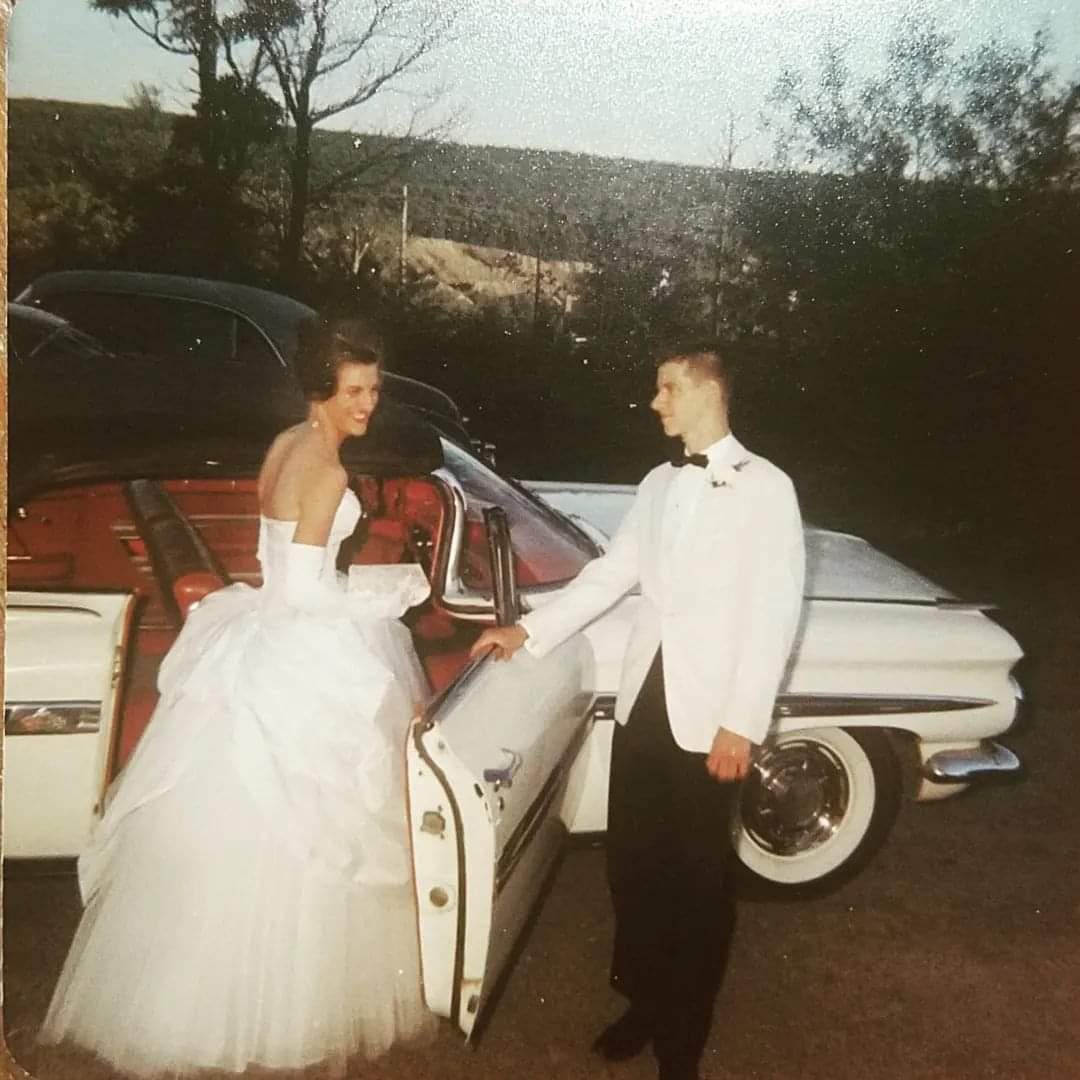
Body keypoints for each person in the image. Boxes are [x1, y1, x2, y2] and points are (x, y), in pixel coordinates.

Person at [39, 317, 437, 1077]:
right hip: (300, 636)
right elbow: (315, 594)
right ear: (323, 390)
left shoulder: (287, 443)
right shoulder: (325, 472)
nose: (369, 405)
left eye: (376, 390)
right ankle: (280, 1008)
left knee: (242, 826)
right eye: (356, 391)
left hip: (261, 628)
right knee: (309, 832)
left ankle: (181, 1001)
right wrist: (389, 590)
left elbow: (279, 564)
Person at [471, 342, 805, 1080]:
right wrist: (528, 628)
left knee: (699, 883)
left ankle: (682, 1044)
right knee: (634, 867)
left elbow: (774, 612)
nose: (656, 403)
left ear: (708, 391)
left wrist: (743, 722)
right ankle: (646, 1005)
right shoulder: (657, 481)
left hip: (710, 715)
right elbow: (611, 573)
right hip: (645, 705)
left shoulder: (768, 488)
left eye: (667, 388)